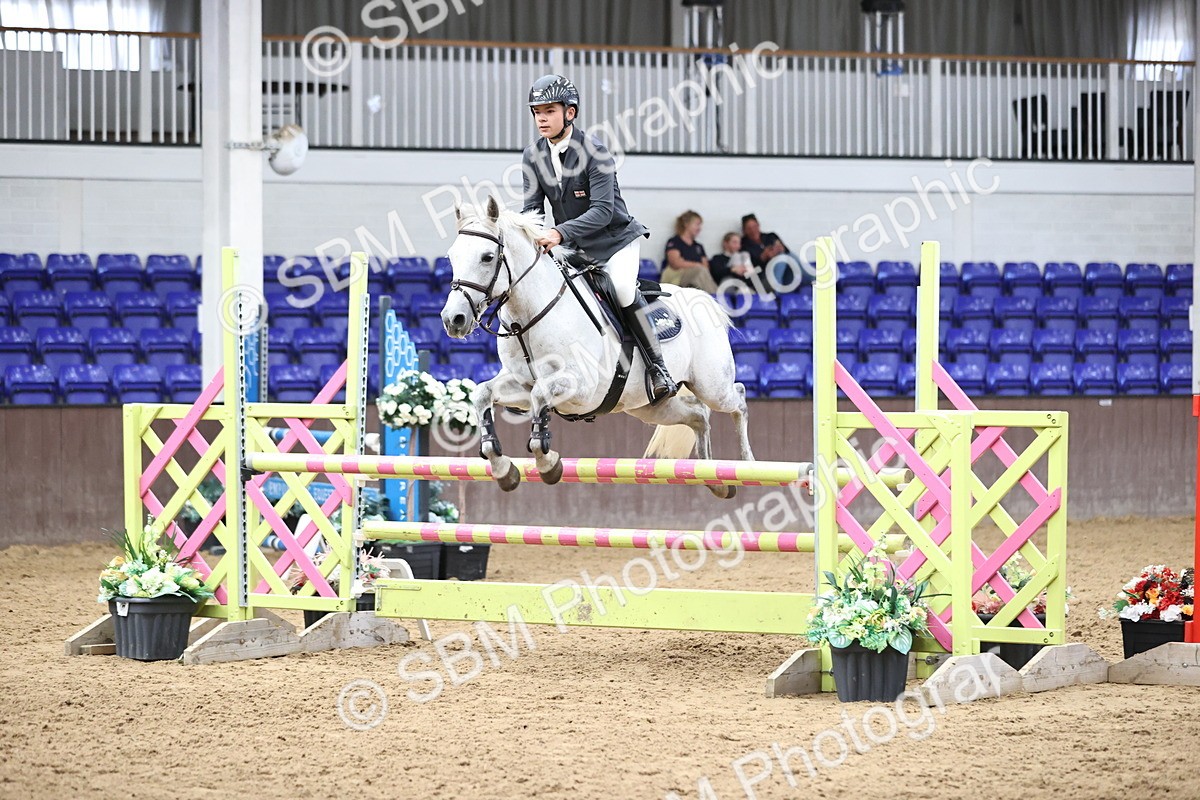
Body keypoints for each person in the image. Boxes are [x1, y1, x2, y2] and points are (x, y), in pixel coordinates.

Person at [521, 74, 676, 404]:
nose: (541, 119)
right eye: (537, 112)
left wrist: (559, 232)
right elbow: (532, 210)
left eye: (549, 111)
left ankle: (657, 368)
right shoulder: (532, 156)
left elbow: (603, 212)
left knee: (621, 289)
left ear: (570, 113)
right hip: (573, 247)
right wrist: (527, 237)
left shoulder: (596, 153)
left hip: (614, 241)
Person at [661, 211, 719, 294]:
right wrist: (696, 264)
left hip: (695, 281)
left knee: (700, 273)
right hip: (677, 278)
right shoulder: (675, 242)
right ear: (686, 224)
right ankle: (716, 296)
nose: (699, 228)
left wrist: (685, 263)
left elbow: (706, 267)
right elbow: (675, 263)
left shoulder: (698, 246)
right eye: (697, 224)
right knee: (700, 271)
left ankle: (715, 296)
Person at [740, 213, 795, 289]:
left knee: (789, 256)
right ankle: (776, 291)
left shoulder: (771, 236)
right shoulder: (743, 245)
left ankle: (811, 278)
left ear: (758, 225)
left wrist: (780, 250)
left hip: (785, 273)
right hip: (764, 277)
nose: (753, 230)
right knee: (782, 258)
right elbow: (749, 272)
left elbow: (787, 251)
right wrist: (763, 258)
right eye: (749, 228)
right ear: (744, 230)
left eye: (754, 226)